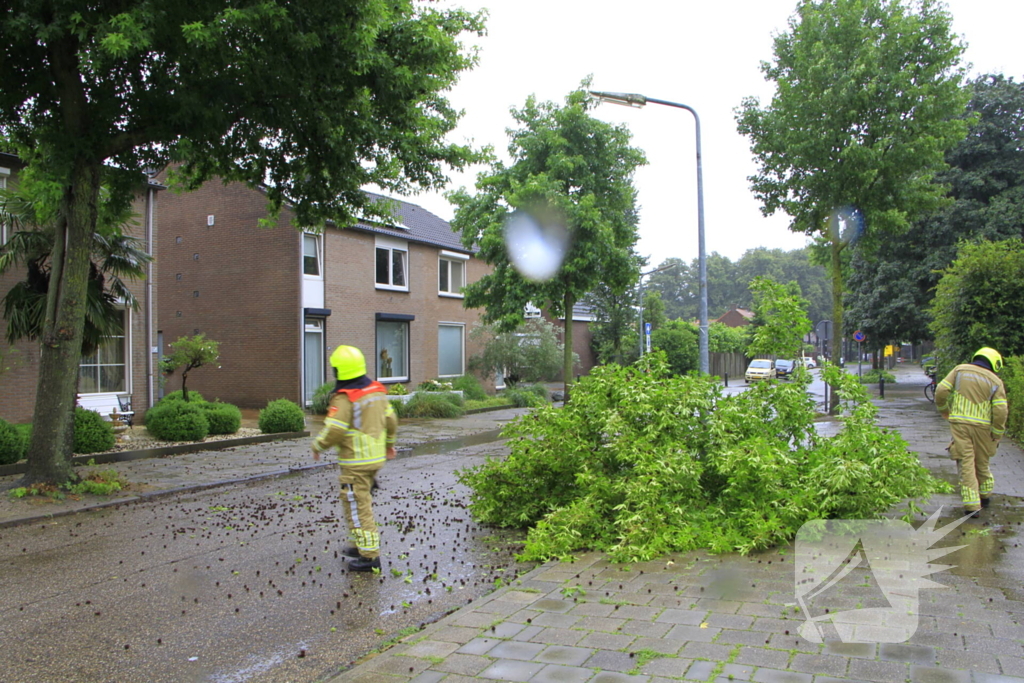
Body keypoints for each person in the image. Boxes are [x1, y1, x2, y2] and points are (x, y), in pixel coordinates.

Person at [312, 345, 397, 571]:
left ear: (338, 371)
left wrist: (318, 445)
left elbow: (335, 430)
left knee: (359, 507)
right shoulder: (376, 392)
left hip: (355, 463)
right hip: (374, 460)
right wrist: (389, 445)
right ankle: (358, 544)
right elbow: (391, 421)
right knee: (356, 503)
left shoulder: (345, 399)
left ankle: (369, 557)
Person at [934, 347, 1008, 517]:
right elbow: (1001, 411)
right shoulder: (996, 382)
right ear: (994, 363)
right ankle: (986, 495)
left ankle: (972, 506)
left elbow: (941, 390)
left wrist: (944, 410)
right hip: (983, 428)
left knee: (966, 461)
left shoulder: (960, 370)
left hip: (960, 424)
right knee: (982, 461)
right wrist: (996, 433)